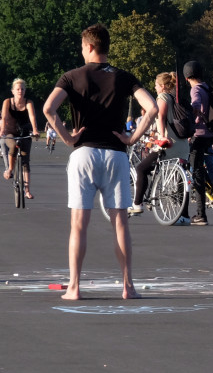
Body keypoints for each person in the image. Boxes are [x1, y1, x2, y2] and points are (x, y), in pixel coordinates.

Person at [43, 23, 158, 300]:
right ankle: (128, 286)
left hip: (84, 153)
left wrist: (67, 137)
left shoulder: (71, 77)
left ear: (90, 47)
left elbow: (48, 108)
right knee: (120, 223)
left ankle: (74, 287)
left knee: (79, 224)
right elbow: (152, 107)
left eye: (83, 46)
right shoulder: (123, 77)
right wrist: (132, 138)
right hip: (116, 154)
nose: (81, 51)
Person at [129, 72, 190, 223]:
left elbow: (161, 117)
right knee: (180, 179)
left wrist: (162, 136)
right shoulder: (178, 98)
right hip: (182, 145)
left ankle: (137, 204)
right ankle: (184, 216)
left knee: (141, 169)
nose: (154, 87)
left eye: (156, 85)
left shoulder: (163, 97)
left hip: (169, 145)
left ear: (162, 86)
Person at [183, 60, 213, 226]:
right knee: (200, 169)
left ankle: (200, 214)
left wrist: (191, 118)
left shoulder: (195, 89)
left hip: (200, 134)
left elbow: (195, 105)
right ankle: (212, 191)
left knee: (196, 171)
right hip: (210, 133)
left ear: (187, 78)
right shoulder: (207, 87)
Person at [0, 78, 40, 199]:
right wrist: (2, 130)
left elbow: (32, 117)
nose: (20, 91)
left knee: (25, 162)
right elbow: (5, 117)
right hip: (10, 132)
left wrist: (35, 130)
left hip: (24, 133)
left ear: (25, 91)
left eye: (22, 89)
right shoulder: (7, 102)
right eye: (17, 89)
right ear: (13, 91)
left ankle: (27, 190)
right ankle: (10, 169)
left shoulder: (28, 102)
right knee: (13, 145)